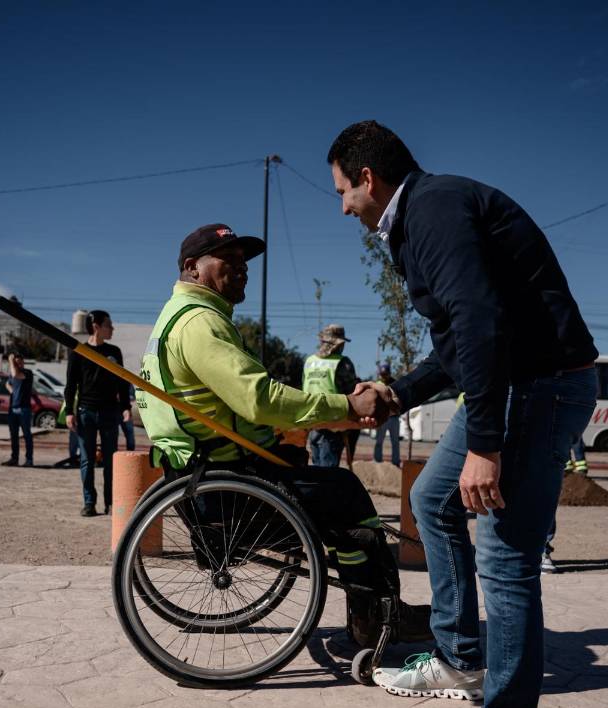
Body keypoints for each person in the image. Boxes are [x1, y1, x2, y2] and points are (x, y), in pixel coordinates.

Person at [327, 121, 598, 708]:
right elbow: (458, 340)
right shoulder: (423, 219)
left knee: (505, 558)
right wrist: (399, 391)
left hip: (540, 388)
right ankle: (458, 657)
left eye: (342, 190)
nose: (342, 207)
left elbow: (479, 324)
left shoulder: (434, 209)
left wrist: (485, 446)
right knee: (431, 499)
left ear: (368, 178)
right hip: (518, 383)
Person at [137, 222, 430, 652]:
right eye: (229, 261)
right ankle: (377, 618)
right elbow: (258, 398)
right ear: (191, 268)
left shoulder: (174, 318)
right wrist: (346, 406)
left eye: (244, 263)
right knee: (346, 492)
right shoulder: (201, 324)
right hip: (230, 484)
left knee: (321, 482)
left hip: (205, 470)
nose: (241, 270)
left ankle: (373, 607)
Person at [65, 310, 130, 515]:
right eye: (108, 325)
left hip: (110, 412)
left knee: (111, 460)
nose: (112, 329)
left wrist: (126, 407)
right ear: (96, 327)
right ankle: (89, 502)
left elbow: (122, 381)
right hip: (86, 412)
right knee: (87, 460)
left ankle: (110, 503)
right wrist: (69, 411)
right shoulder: (78, 352)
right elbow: (71, 385)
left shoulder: (115, 352)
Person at [303, 324, 358, 467]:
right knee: (328, 474)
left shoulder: (310, 362)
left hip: (312, 422)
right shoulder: (342, 363)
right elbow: (352, 394)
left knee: (317, 469)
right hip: (333, 424)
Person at [2, 353, 35, 467]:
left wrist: (11, 360)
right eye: (17, 362)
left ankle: (29, 460)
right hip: (13, 408)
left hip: (24, 409)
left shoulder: (27, 373)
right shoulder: (13, 374)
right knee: (14, 435)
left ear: (23, 362)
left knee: (27, 435)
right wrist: (13, 390)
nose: (18, 364)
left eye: (20, 362)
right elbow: (7, 383)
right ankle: (14, 458)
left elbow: (16, 374)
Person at [372, 362, 401, 467]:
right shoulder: (377, 384)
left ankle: (396, 462)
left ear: (389, 373)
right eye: (382, 374)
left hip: (393, 418)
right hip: (382, 417)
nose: (383, 376)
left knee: (395, 442)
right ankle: (377, 460)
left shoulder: (395, 383)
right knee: (379, 440)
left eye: (385, 374)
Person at [120, 384, 137, 451]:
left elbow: (132, 397)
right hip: (113, 410)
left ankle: (130, 451)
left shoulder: (127, 383)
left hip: (125, 410)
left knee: (129, 433)